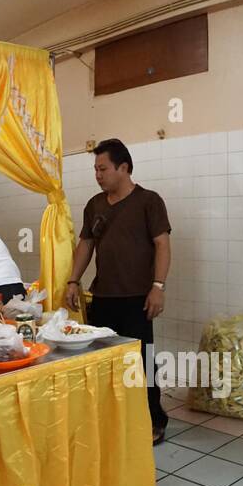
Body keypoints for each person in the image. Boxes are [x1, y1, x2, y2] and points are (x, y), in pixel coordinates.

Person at [65, 138, 172, 444]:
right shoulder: (95, 205)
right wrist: (73, 280)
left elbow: (162, 244)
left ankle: (155, 420)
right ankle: (113, 418)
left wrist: (158, 287)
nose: (97, 175)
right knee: (104, 362)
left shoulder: (149, 201)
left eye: (103, 168)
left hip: (138, 298)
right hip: (103, 299)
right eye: (95, 169)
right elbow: (86, 245)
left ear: (123, 168)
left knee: (143, 360)